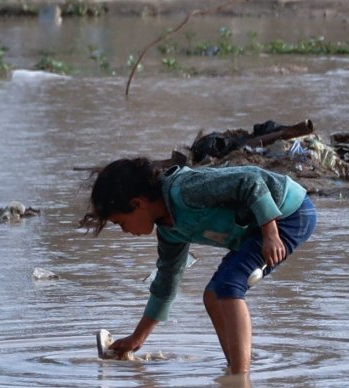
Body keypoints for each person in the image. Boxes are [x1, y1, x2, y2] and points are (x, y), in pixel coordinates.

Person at [89, 157, 317, 373]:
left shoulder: (185, 190)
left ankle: (240, 377)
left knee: (230, 285)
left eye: (120, 223)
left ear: (137, 204)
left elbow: (250, 182)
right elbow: (166, 282)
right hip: (258, 230)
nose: (125, 231)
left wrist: (270, 233)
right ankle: (236, 366)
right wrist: (138, 337)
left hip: (288, 214)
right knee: (213, 295)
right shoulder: (169, 231)